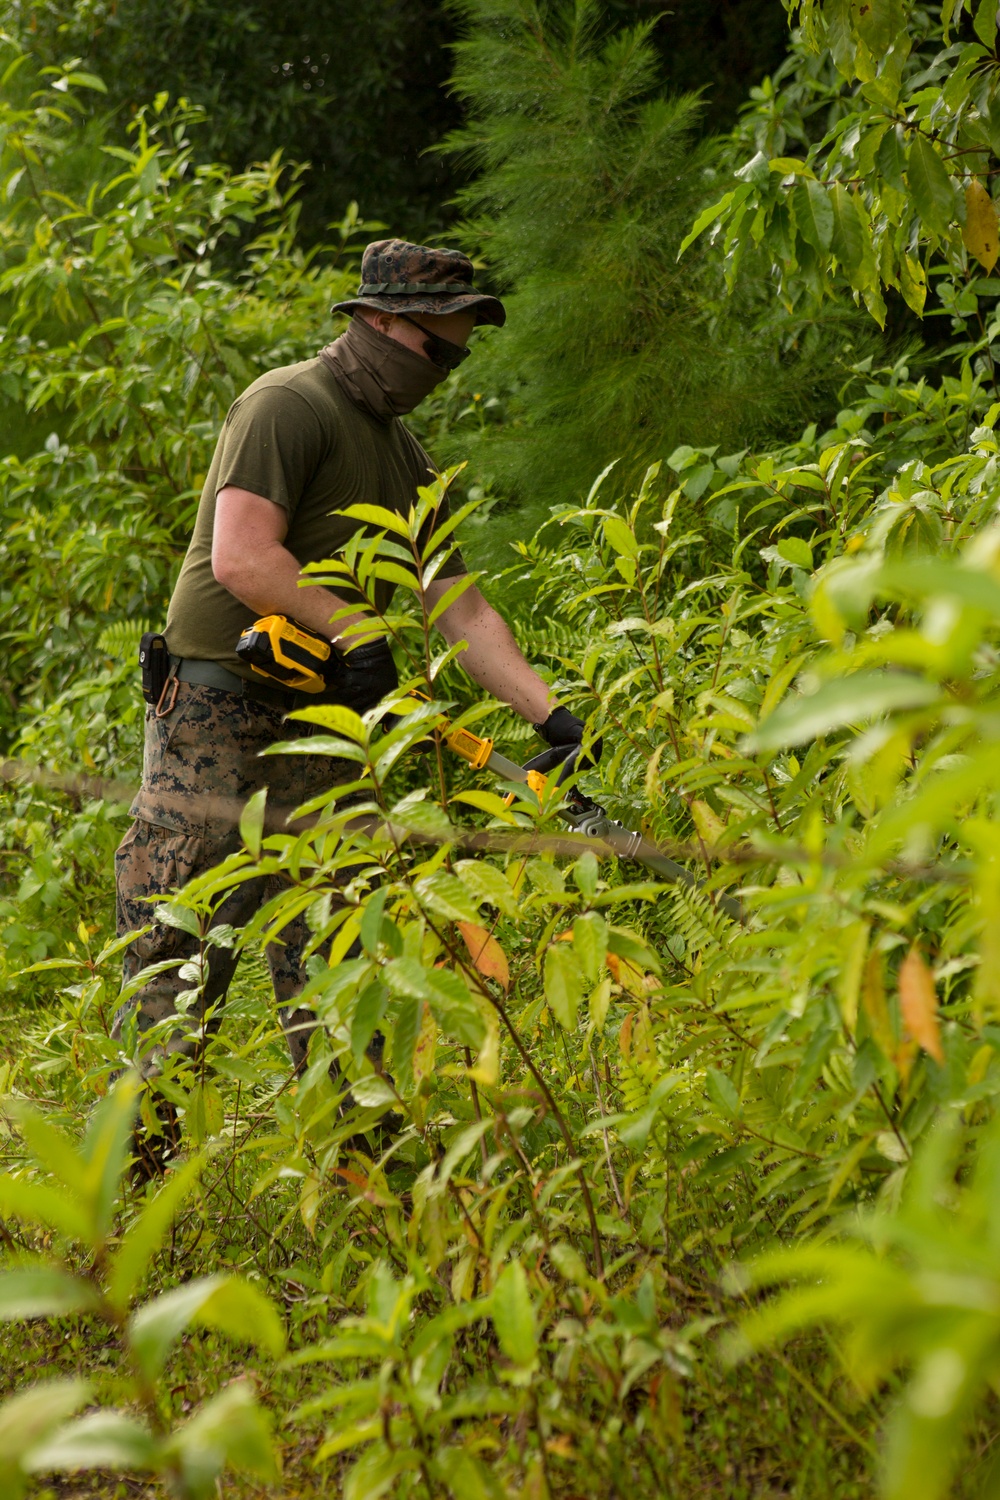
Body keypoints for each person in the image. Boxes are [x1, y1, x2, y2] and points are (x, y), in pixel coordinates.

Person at [112, 239, 598, 1164]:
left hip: (330, 725)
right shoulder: (285, 405)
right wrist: (355, 629)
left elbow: (456, 600)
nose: (445, 372)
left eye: (458, 356)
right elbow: (242, 557)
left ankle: (365, 1183)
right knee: (179, 956)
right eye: (436, 350)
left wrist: (548, 714)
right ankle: (125, 1203)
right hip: (219, 717)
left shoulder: (402, 452)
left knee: (342, 946)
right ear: (378, 322)